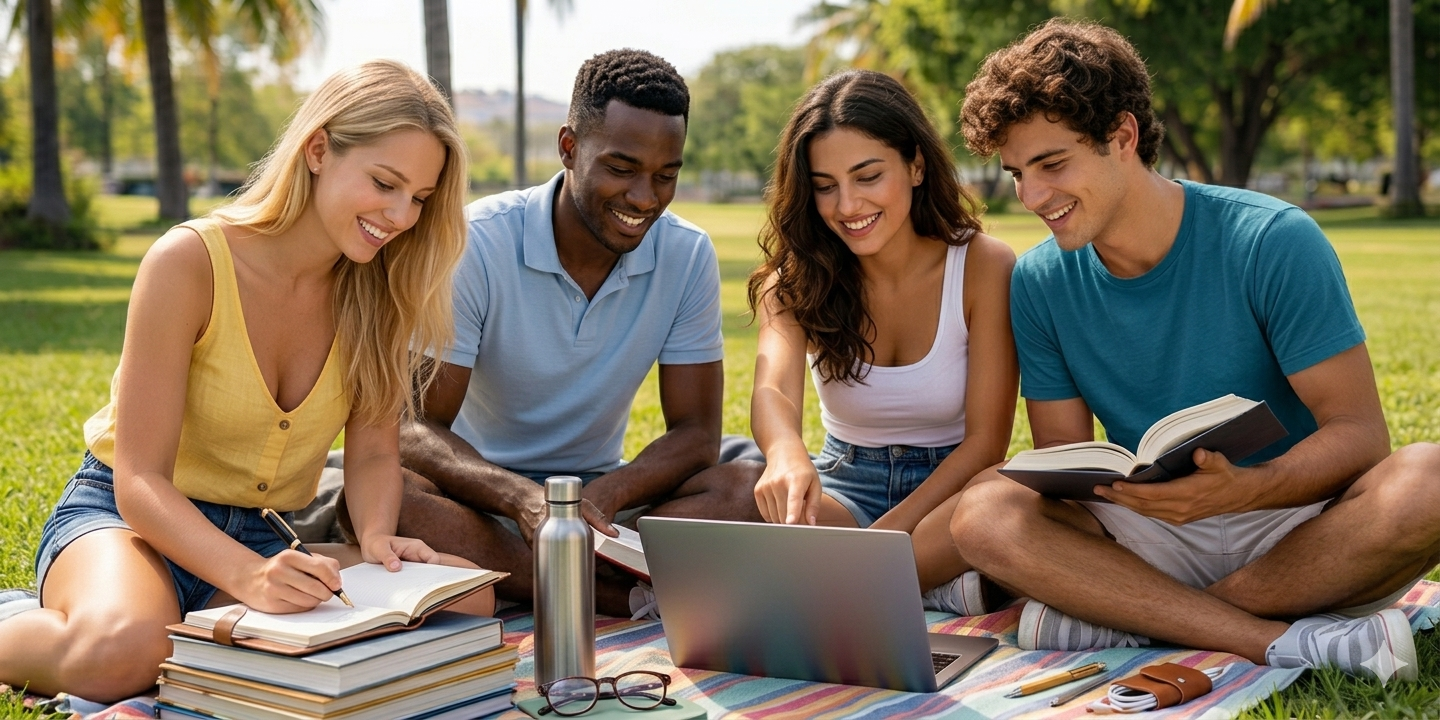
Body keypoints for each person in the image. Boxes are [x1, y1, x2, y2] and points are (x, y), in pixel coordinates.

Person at [949, 18, 1440, 680]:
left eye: (1052, 164)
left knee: (1430, 479)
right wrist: (1113, 492)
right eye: (1016, 173)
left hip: (1297, 522)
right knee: (984, 511)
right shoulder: (1038, 281)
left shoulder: (1272, 239)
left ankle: (1147, 618)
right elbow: (1066, 467)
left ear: (1123, 136)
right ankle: (1273, 638)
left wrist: (1247, 489)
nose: (1032, 197)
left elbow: (1359, 435)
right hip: (1149, 531)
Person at [0, 60, 490, 702]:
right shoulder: (189, 262)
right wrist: (249, 577)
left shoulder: (380, 293)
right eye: (384, 183)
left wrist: (376, 541)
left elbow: (373, 451)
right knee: (124, 653)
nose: (401, 215)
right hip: (128, 522)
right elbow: (139, 480)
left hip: (262, 536)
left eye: (420, 199)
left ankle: (180, 625)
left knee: (465, 600)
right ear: (319, 150)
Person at [385, 49, 763, 619]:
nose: (645, 198)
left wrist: (601, 499)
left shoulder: (686, 254)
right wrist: (522, 499)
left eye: (666, 176)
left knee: (748, 490)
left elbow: (696, 434)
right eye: (621, 168)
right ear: (568, 147)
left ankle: (545, 578)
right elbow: (414, 427)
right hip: (483, 500)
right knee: (390, 494)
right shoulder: (477, 242)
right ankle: (619, 595)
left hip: (605, 504)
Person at [748, 69, 1018, 615]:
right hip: (846, 484)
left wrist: (884, 540)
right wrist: (785, 453)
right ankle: (929, 584)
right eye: (825, 186)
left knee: (1007, 503)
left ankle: (877, 579)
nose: (847, 205)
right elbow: (772, 388)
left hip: (953, 490)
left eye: (868, 176)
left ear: (916, 166)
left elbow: (986, 444)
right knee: (745, 501)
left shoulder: (983, 265)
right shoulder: (795, 280)